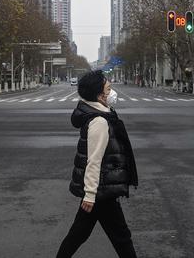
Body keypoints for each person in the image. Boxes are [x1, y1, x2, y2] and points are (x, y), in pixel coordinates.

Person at [57, 70, 139, 258]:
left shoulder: (101, 114)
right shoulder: (99, 121)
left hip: (101, 190)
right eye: (109, 89)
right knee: (121, 238)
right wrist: (91, 194)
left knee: (78, 235)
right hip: (102, 191)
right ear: (99, 94)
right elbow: (93, 160)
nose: (112, 93)